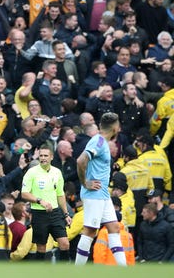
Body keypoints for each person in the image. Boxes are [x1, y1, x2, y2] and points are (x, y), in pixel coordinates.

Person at [74, 112, 127, 266]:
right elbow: (80, 160)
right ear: (115, 127)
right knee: (90, 231)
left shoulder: (101, 141)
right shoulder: (98, 141)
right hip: (94, 194)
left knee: (114, 226)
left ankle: (124, 270)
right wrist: (85, 183)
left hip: (103, 195)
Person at [21, 144, 72, 262]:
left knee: (64, 243)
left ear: (52, 157)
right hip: (39, 214)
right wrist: (40, 201)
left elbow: (60, 194)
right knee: (41, 247)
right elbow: (24, 193)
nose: (43, 158)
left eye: (46, 156)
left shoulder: (57, 172)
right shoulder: (31, 172)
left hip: (55, 213)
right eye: (41, 156)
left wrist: (66, 214)